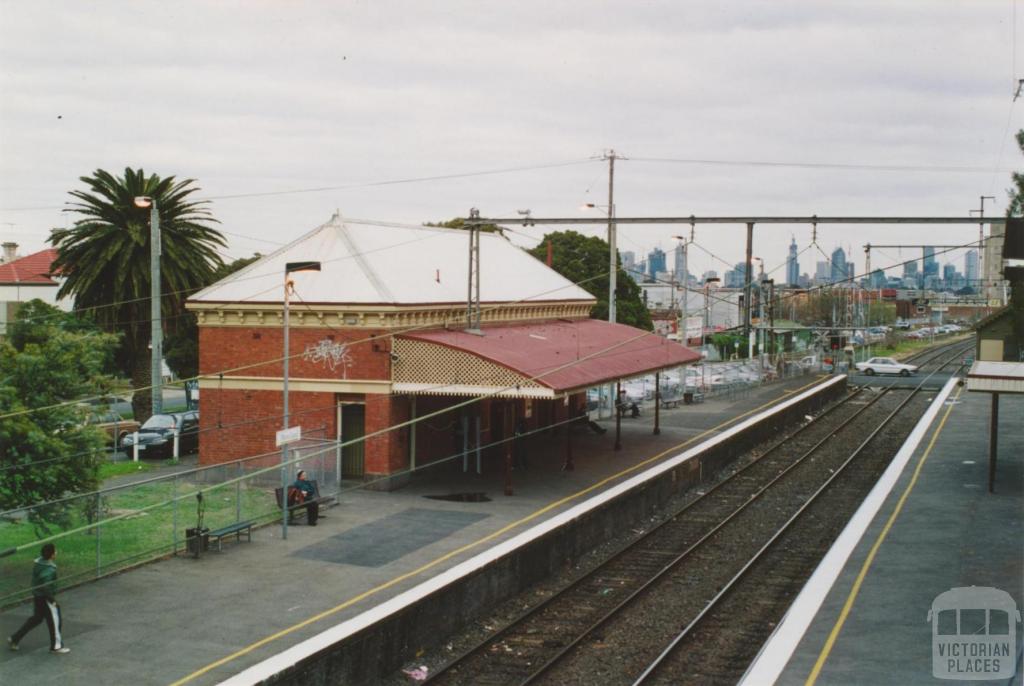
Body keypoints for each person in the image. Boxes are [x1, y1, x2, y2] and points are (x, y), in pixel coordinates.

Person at [8, 543, 70, 654]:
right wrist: (53, 600)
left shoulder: (39, 562)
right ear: (51, 555)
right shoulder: (49, 569)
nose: (56, 552)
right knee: (55, 618)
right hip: (45, 598)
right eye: (55, 551)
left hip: (37, 596)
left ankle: (14, 638)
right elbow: (45, 587)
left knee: (36, 619)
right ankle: (56, 646)